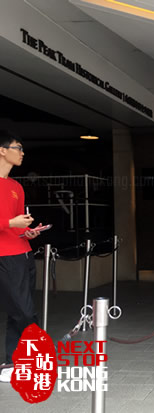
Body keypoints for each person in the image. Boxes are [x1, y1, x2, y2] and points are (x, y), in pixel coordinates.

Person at [0, 130, 42, 383]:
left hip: (24, 254)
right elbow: (8, 222)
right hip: (4, 256)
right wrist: (10, 222)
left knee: (19, 310)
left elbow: (16, 224)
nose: (22, 153)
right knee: (24, 311)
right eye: (18, 147)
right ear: (2, 150)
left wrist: (29, 231)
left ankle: (10, 363)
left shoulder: (16, 186)